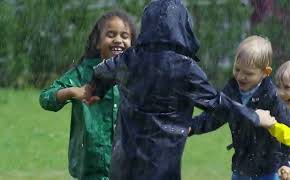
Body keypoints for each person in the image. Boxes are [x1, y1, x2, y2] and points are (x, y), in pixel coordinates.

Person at [78, 1, 260, 180]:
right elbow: (218, 103)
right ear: (182, 27)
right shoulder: (185, 68)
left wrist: (97, 90)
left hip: (124, 166)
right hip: (161, 168)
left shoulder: (128, 60)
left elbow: (101, 72)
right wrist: (256, 117)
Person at [39, 10, 136, 180]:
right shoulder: (82, 73)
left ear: (133, 43)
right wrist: (71, 92)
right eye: (111, 34)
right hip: (88, 172)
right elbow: (46, 98)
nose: (118, 40)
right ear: (98, 42)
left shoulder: (138, 75)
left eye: (125, 35)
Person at [189, 35, 290, 180]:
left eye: (248, 73)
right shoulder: (231, 90)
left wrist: (288, 162)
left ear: (265, 72)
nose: (240, 76)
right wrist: (192, 126)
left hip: (268, 170)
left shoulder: (272, 97)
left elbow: (288, 129)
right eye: (237, 69)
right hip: (241, 167)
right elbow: (216, 116)